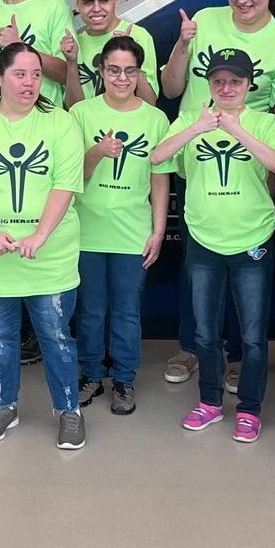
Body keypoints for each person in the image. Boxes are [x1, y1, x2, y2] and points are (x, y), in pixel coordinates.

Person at [158, 0, 275, 384]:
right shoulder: (205, 20)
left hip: (247, 164)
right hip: (196, 152)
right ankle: (192, 348)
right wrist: (182, 43)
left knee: (246, 269)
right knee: (197, 261)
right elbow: (171, 87)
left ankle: (238, 356)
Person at [0, 43, 87, 450]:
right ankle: (5, 405)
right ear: (0, 77)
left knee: (56, 335)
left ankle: (68, 410)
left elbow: (65, 184)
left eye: (36, 74)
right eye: (20, 74)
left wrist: (39, 236)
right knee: (1, 336)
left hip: (49, 254)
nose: (30, 83)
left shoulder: (60, 123)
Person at [155, 49, 275, 439]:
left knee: (251, 334)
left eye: (235, 81)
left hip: (253, 239)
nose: (226, 88)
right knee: (205, 332)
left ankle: (249, 408)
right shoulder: (189, 120)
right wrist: (197, 127)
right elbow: (157, 157)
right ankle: (210, 402)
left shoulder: (264, 122)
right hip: (204, 240)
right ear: (208, 84)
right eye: (218, 81)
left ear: (249, 85)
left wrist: (236, 129)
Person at [72, 37, 173, 417]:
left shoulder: (155, 118)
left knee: (127, 311)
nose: (121, 77)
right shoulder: (81, 113)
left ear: (140, 73)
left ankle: (125, 380)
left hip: (133, 232)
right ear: (100, 71)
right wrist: (96, 152)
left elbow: (160, 179)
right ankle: (92, 374)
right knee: (91, 310)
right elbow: (72, 178)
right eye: (113, 69)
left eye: (130, 70)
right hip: (87, 229)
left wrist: (158, 230)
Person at [62, 0, 156, 106]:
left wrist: (131, 53)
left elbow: (150, 103)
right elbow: (73, 109)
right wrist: (71, 62)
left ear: (115, 0)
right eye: (88, 2)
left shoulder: (138, 36)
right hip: (88, 126)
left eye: (103, 0)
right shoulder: (74, 44)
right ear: (77, 4)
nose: (96, 8)